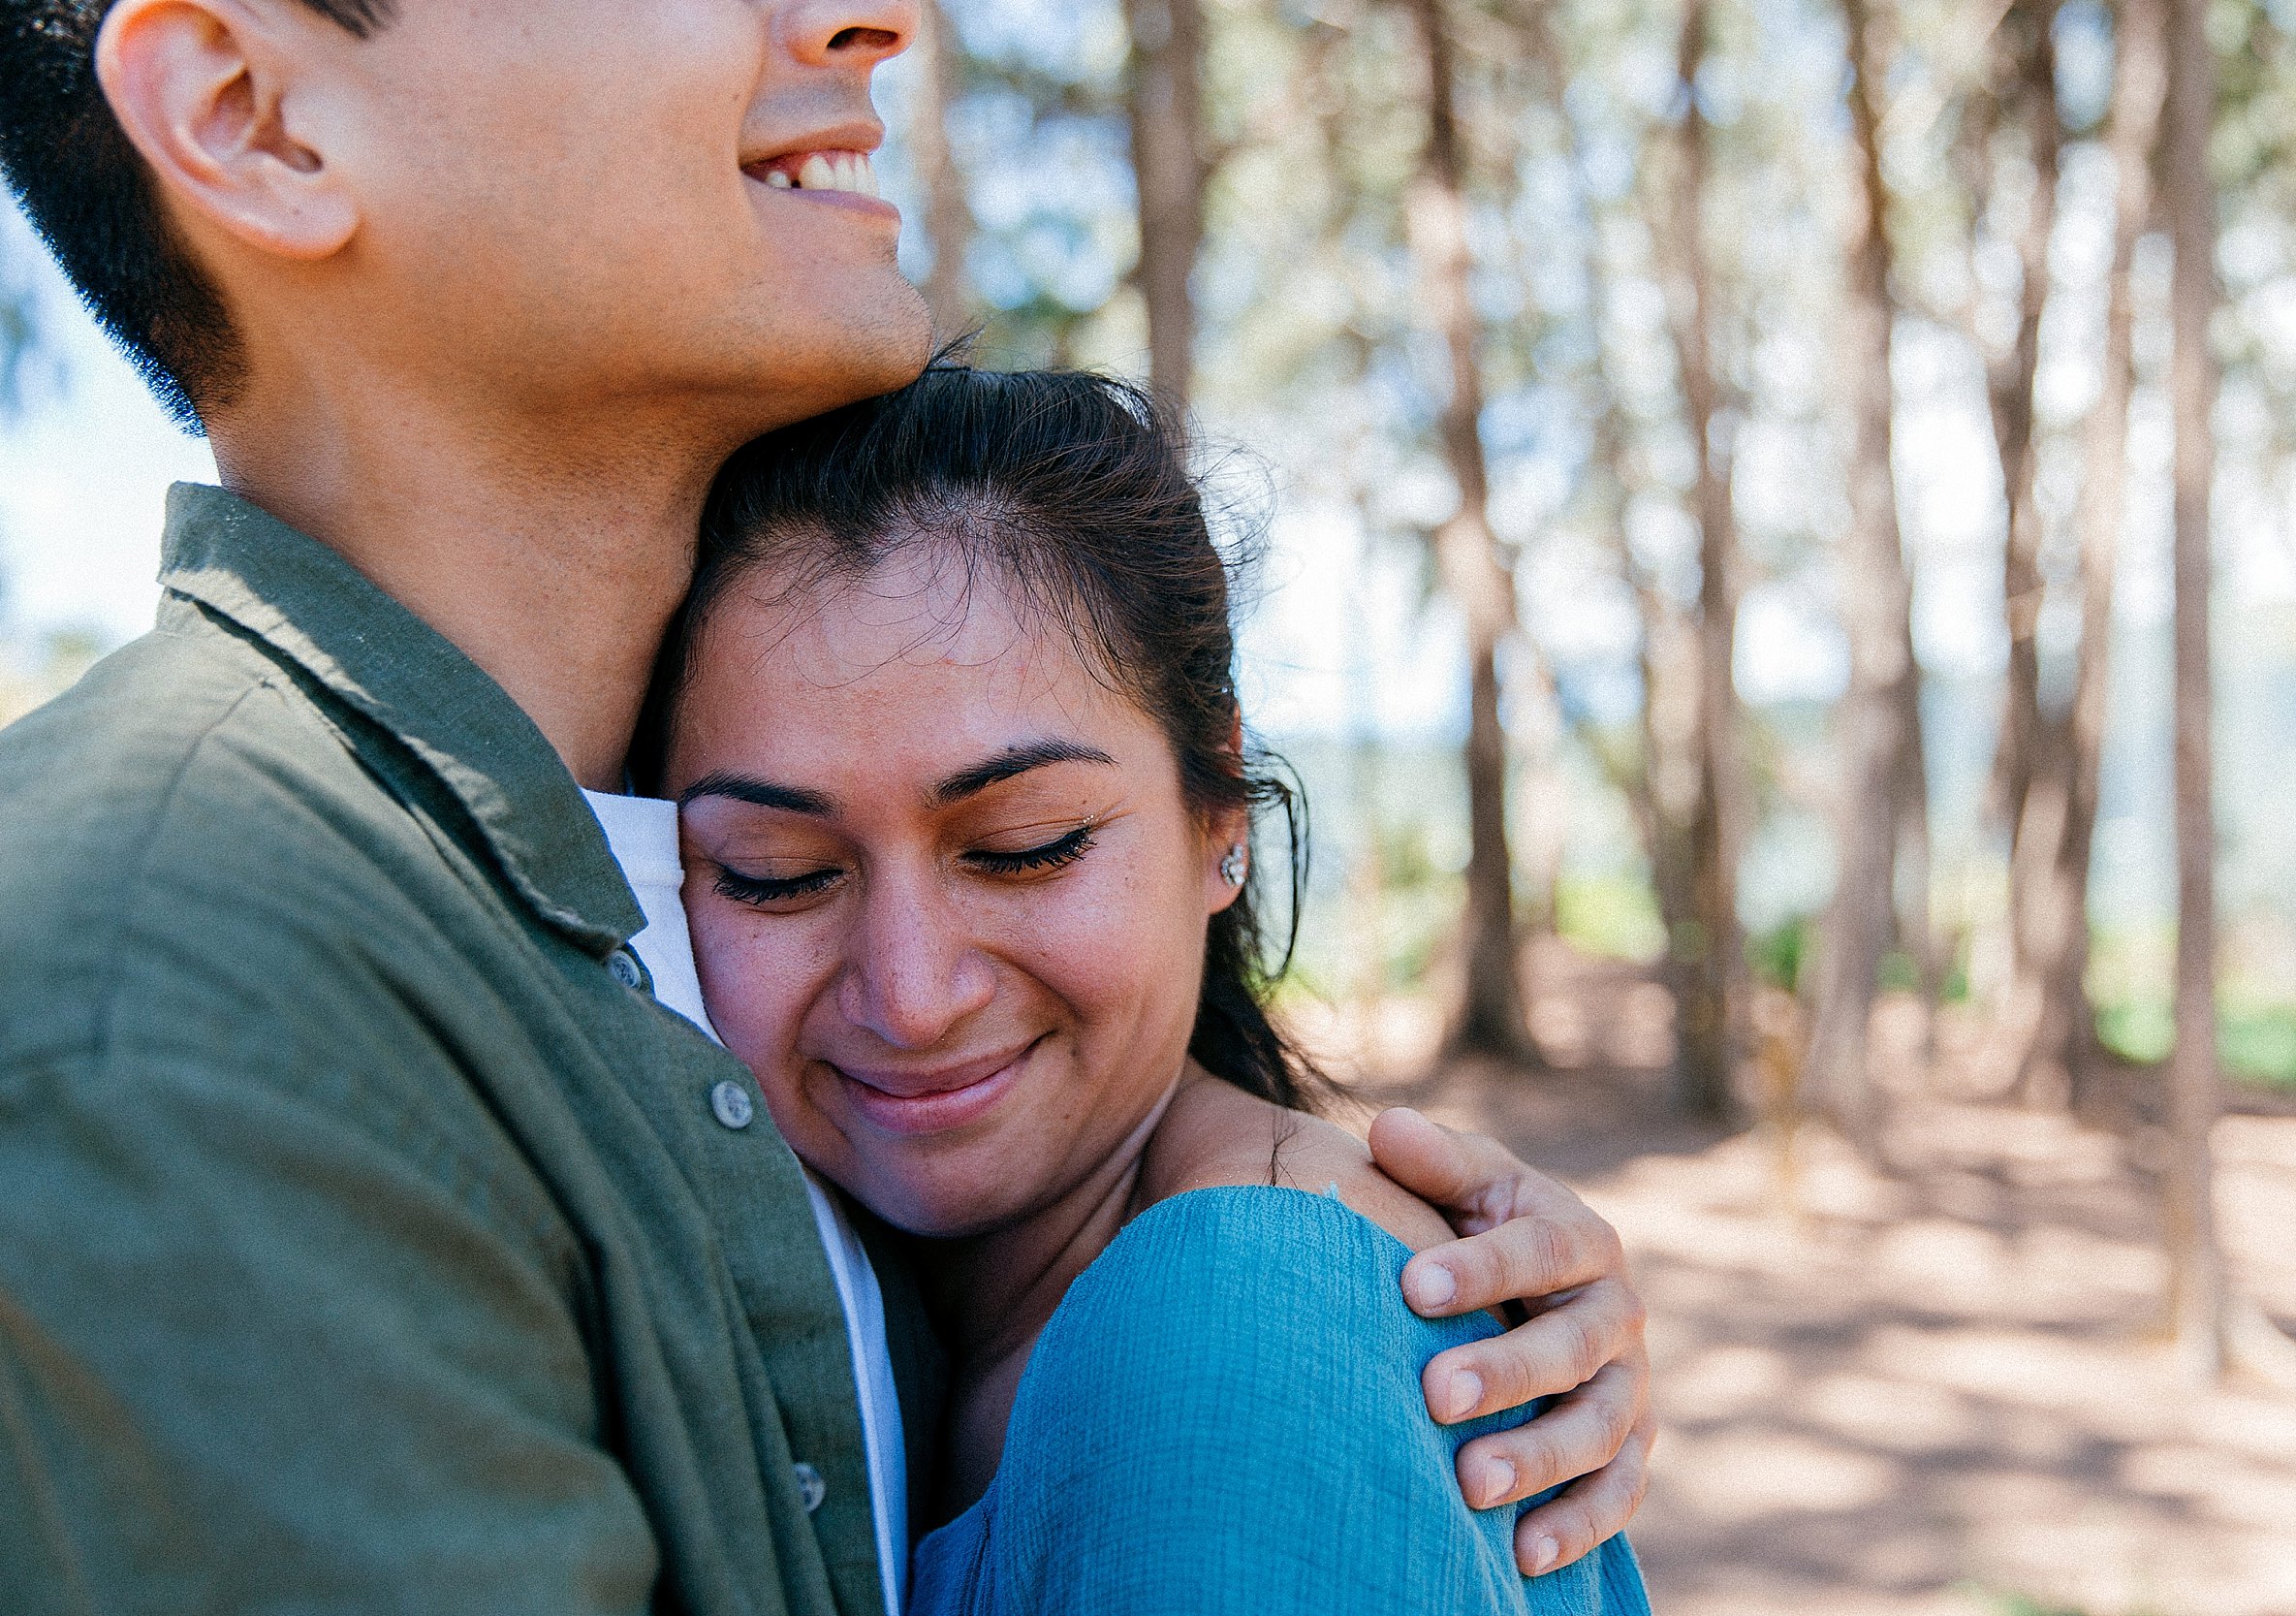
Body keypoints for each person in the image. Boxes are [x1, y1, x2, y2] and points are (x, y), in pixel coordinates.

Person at [0, 3, 1651, 1614]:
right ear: (250, 112)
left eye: (1021, 846)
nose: (876, 18)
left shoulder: (625, 883)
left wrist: (1318, 1304)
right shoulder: (180, 1005)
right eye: (781, 872)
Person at [647, 362, 1654, 1613]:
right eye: (778, 875)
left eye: (1025, 847)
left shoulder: (1232, 1337)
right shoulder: (896, 1319)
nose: (908, 997)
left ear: (1215, 803)